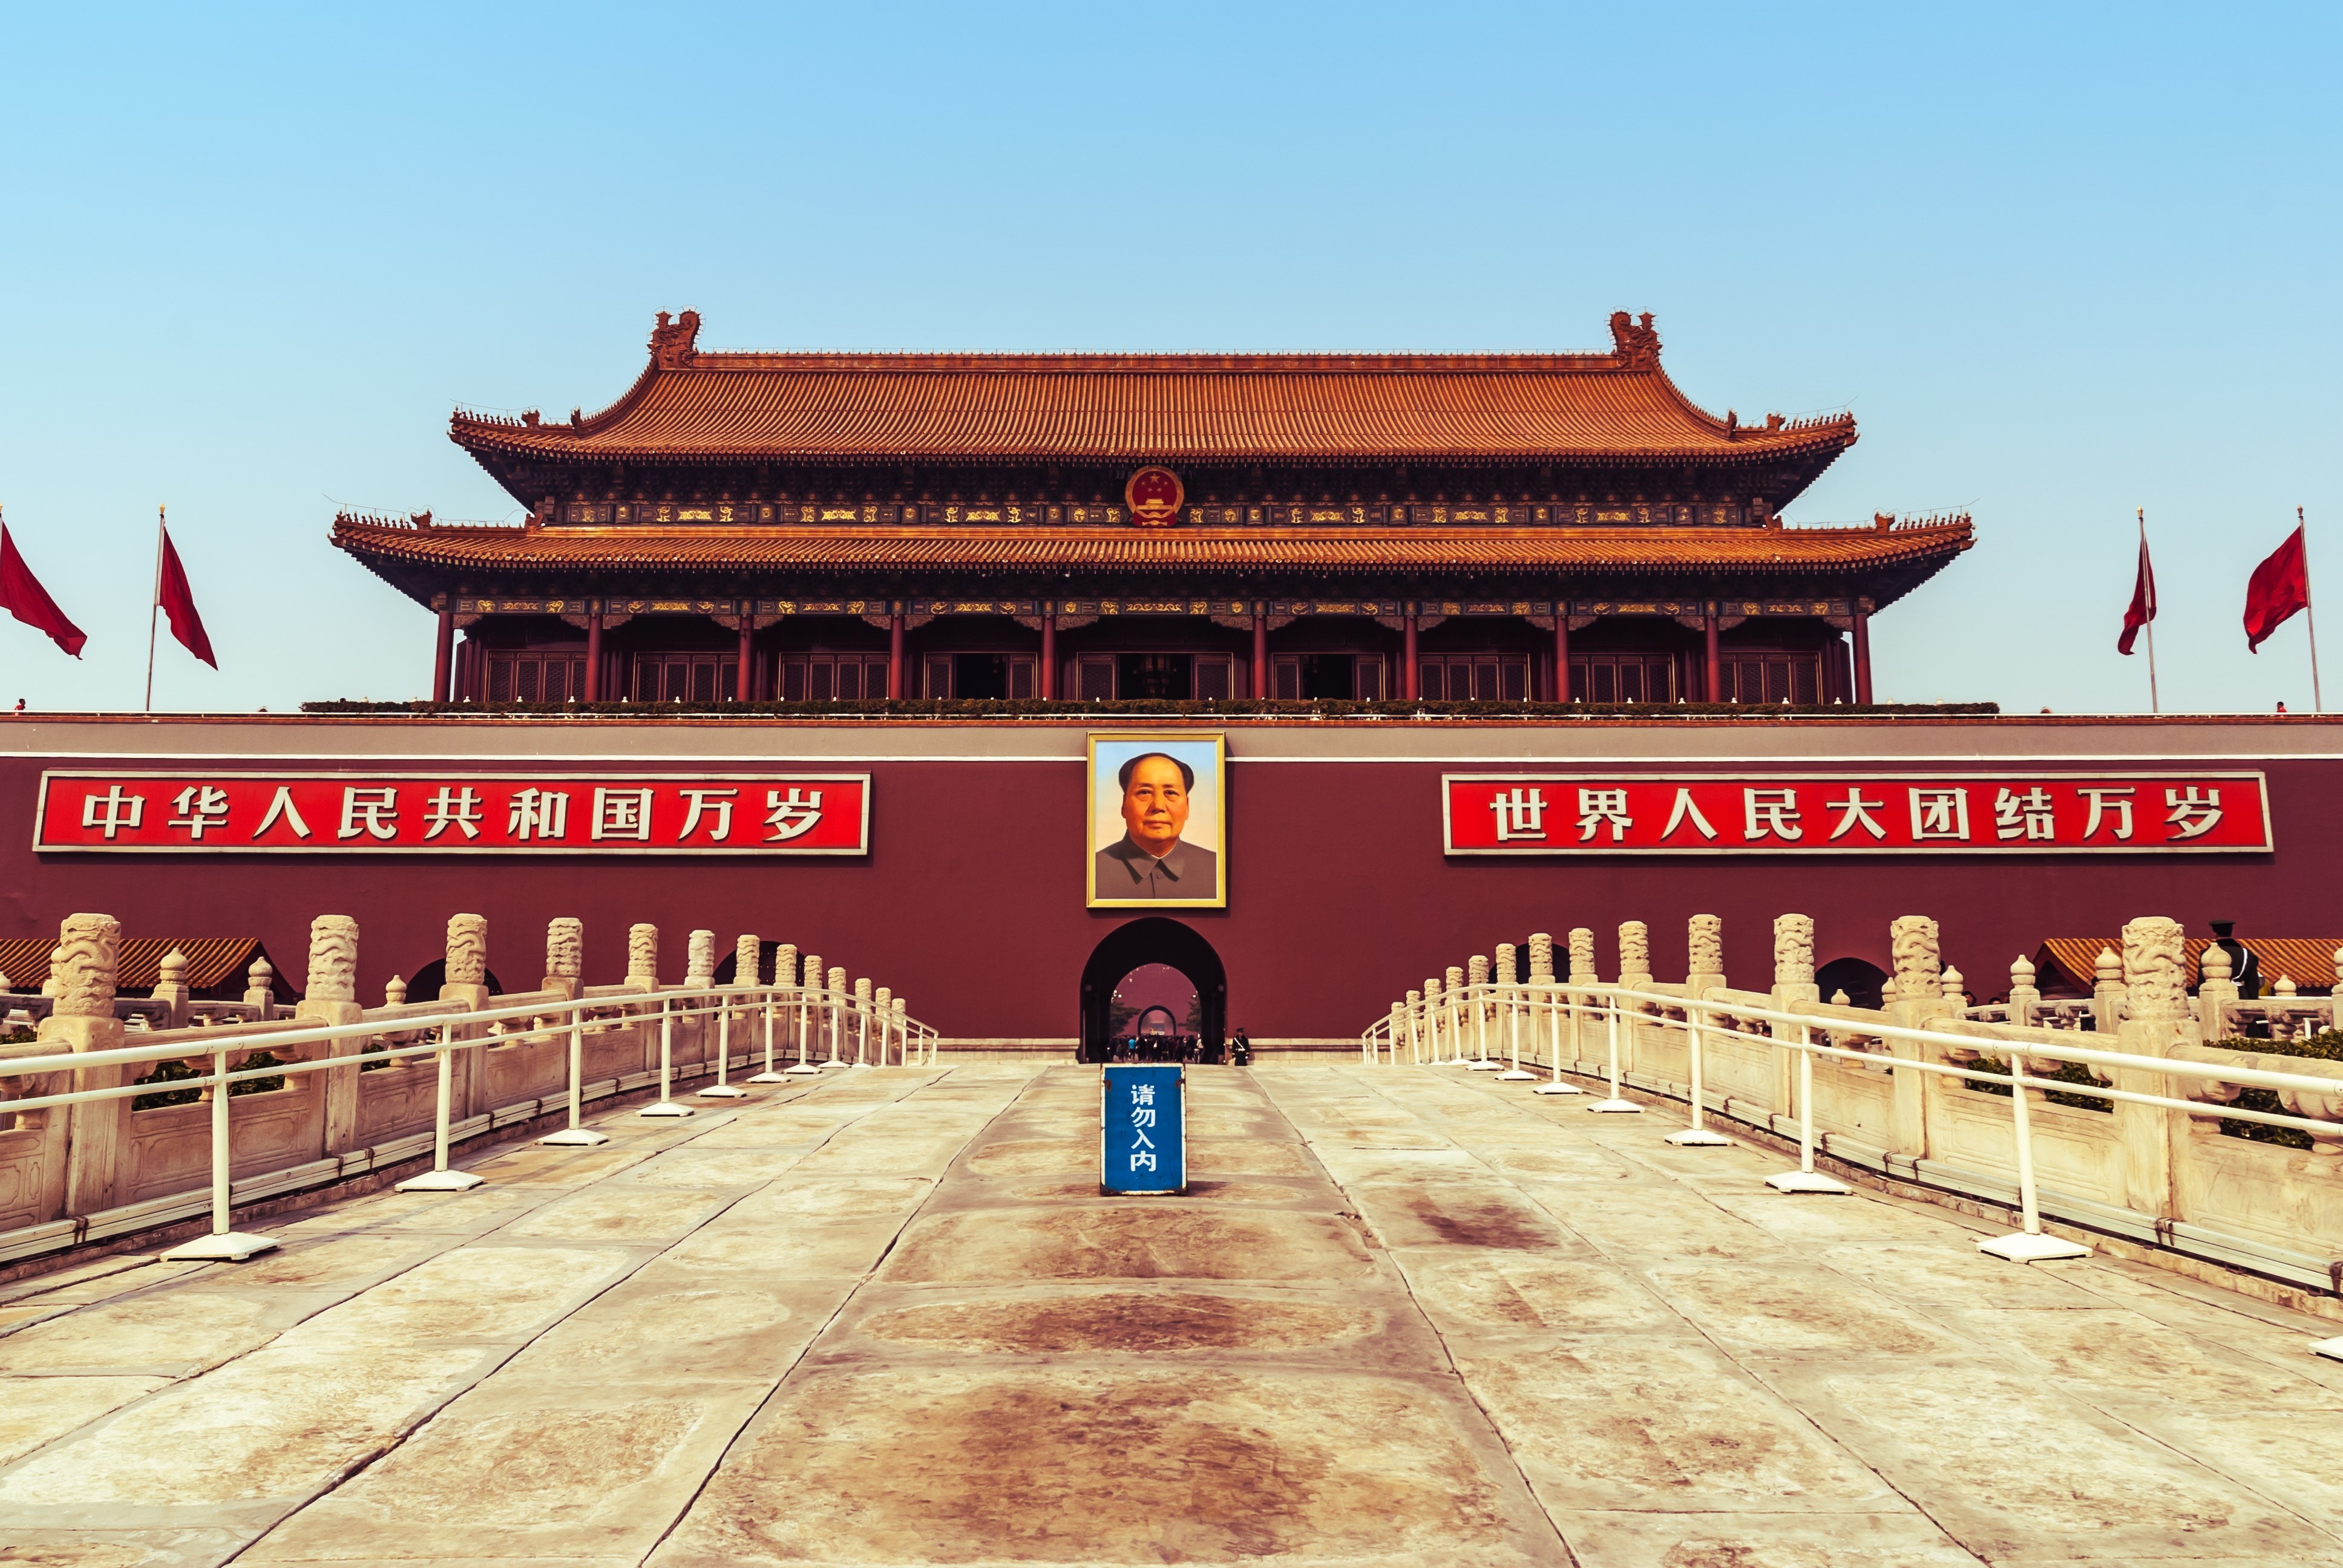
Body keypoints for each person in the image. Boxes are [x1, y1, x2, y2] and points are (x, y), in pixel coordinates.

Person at [1095, 751, 1217, 900]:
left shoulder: (1218, 870)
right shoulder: (1092, 871)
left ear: (1187, 806)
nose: (1158, 806)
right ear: (1124, 805)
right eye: (1145, 792)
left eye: (1171, 793)